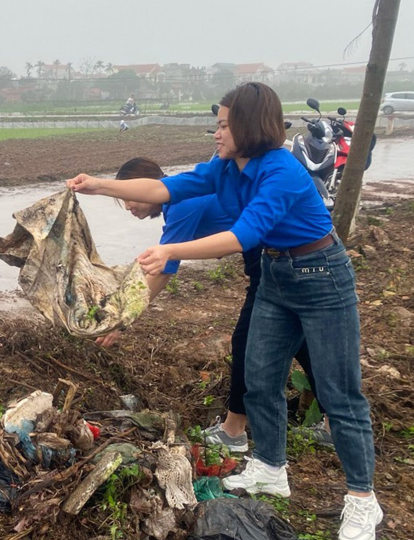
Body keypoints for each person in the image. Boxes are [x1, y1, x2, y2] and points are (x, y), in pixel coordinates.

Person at [67, 82, 381, 540]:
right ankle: (271, 466)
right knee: (259, 376)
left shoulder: (281, 172)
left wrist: (172, 249)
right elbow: (166, 186)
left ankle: (362, 500)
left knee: (340, 393)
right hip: (274, 275)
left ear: (249, 126)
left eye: (223, 125)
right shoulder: (225, 167)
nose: (216, 133)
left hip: (320, 276)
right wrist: (96, 184)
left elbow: (244, 235)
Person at [97, 157, 329, 453]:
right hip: (273, 256)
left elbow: (164, 269)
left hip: (270, 259)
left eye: (131, 197)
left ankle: (233, 431)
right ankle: (333, 422)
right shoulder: (179, 205)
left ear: (150, 187)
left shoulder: (181, 206)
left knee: (247, 342)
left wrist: (122, 320)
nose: (129, 206)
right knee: (300, 342)